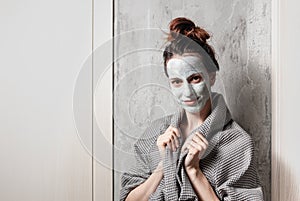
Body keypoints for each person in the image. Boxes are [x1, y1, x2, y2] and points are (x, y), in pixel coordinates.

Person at [120, 17, 263, 201]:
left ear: (211, 77)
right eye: (177, 82)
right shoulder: (155, 133)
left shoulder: (238, 143)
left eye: (195, 78)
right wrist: (164, 166)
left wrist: (194, 171)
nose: (187, 92)